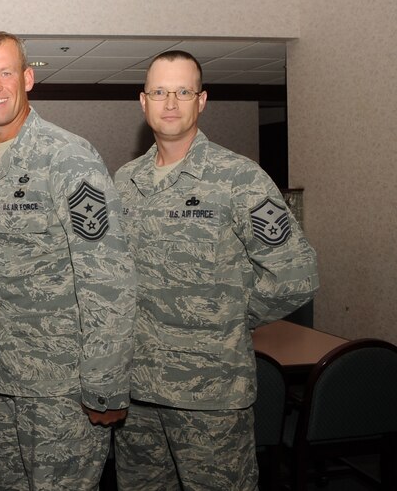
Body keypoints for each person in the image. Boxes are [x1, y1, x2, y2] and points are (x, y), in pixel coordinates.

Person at [113, 50, 319, 490]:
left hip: (209, 393)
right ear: (143, 101)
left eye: (183, 91)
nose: (171, 102)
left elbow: (296, 273)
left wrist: (228, 317)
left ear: (201, 101)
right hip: (135, 392)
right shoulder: (123, 182)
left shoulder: (239, 178)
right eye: (160, 92)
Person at [0, 31, 136, 490]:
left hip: (62, 386)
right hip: (5, 376)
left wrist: (105, 383)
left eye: (6, 72)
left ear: (27, 78)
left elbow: (108, 275)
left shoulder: (67, 156)